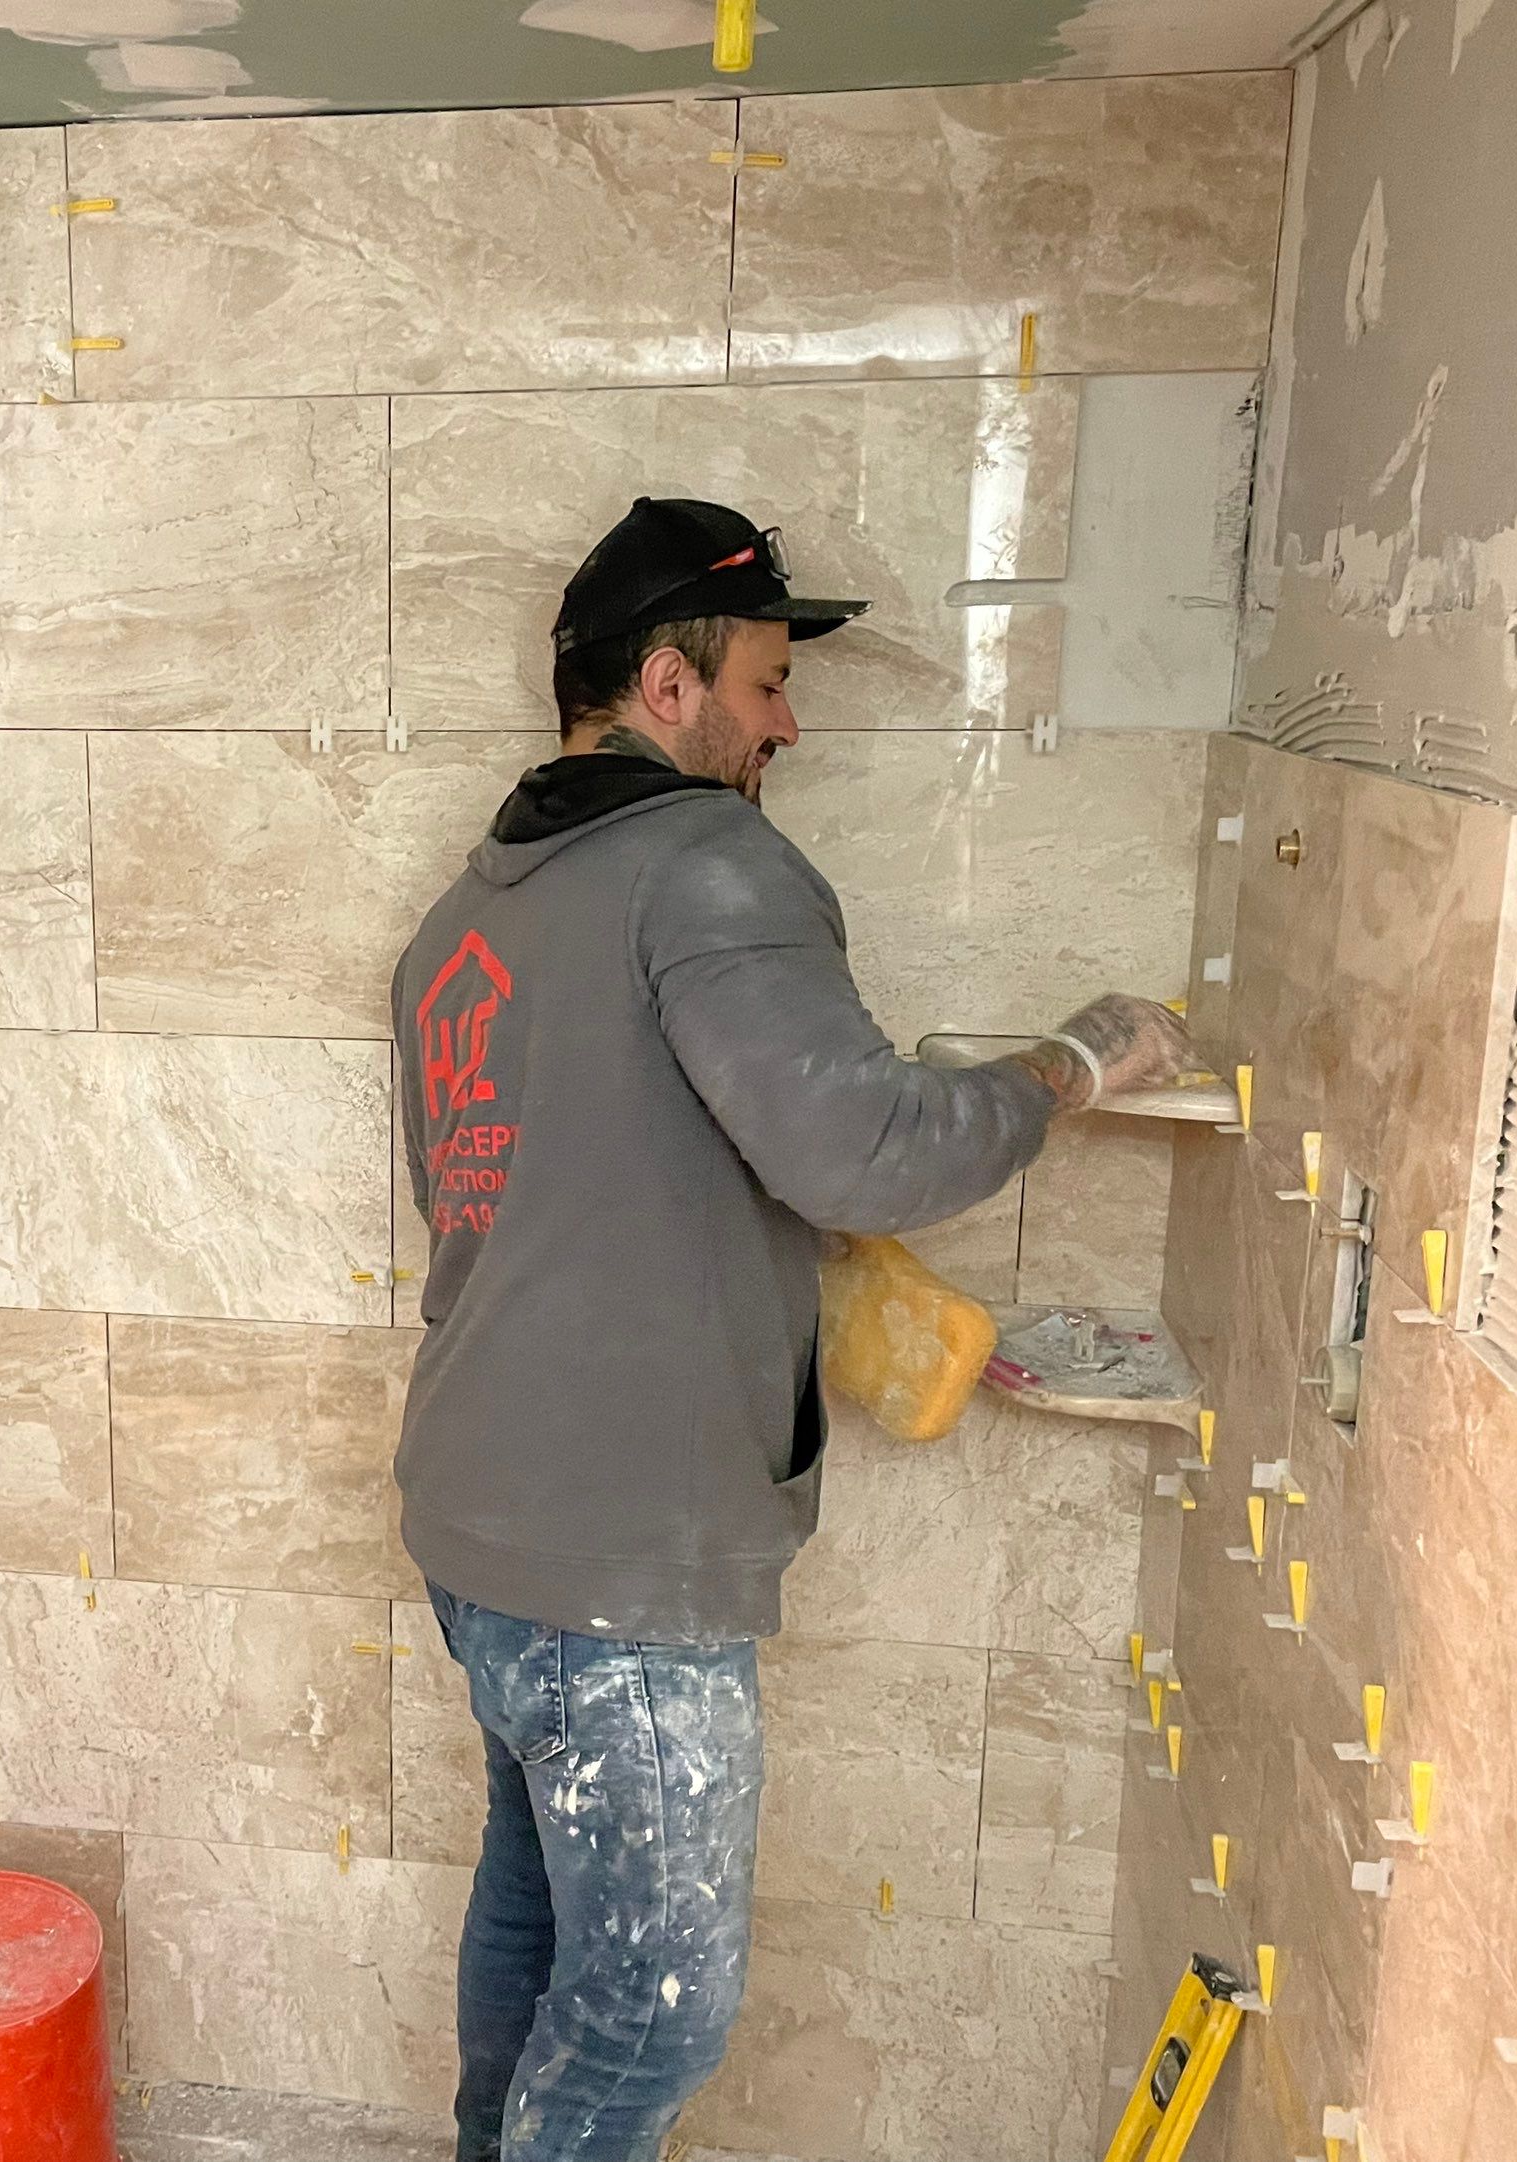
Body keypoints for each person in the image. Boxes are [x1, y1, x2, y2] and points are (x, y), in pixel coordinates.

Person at [390, 497, 1190, 2162]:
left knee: (536, 1910)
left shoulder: (466, 917)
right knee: (653, 2003)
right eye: (761, 677)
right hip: (619, 1556)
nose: (786, 718)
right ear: (665, 686)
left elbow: (512, 1193)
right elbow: (867, 1143)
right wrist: (1070, 1066)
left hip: (481, 1519)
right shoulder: (703, 861)